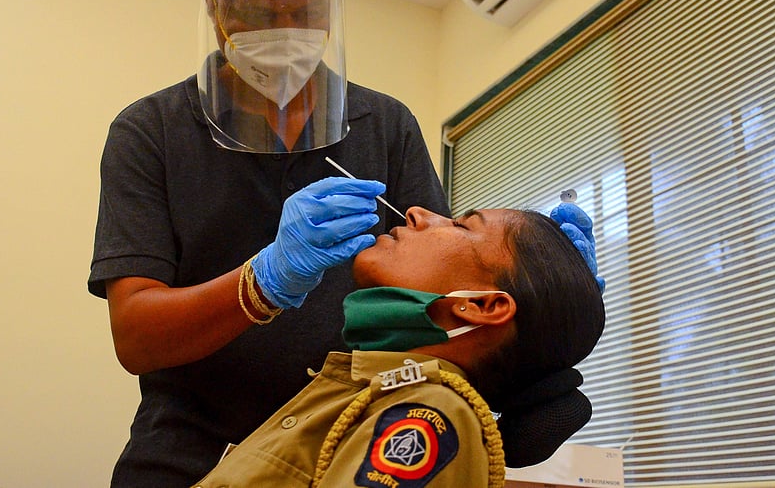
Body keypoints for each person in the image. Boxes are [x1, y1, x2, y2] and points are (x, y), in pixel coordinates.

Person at [89, 0, 603, 486]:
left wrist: (546, 300)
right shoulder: (151, 132)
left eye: (304, 9)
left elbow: (443, 300)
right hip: (187, 454)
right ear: (217, 6)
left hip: (354, 428)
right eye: (261, 13)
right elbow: (137, 339)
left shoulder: (384, 124)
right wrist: (262, 283)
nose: (286, 30)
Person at [191, 205, 605, 487]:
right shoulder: (364, 392)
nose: (417, 213)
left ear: (481, 306)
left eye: (462, 225)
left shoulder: (430, 417)